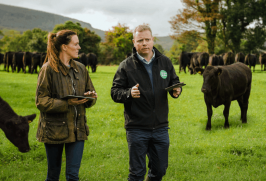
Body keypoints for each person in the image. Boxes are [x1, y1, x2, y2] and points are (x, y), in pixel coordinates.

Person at [111, 24, 182, 181]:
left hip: (161, 127)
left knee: (160, 169)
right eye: (140, 40)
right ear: (134, 42)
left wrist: (176, 91)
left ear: (153, 40)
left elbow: (174, 82)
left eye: (147, 39)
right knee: (137, 172)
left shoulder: (165, 62)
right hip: (137, 128)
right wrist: (128, 93)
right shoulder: (126, 66)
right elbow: (115, 92)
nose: (144, 43)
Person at [35, 30, 98, 181]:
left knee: (73, 176)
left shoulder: (81, 69)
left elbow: (90, 94)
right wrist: (66, 103)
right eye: (75, 44)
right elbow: (41, 101)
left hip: (78, 130)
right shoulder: (48, 69)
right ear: (64, 47)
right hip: (54, 131)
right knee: (53, 176)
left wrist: (90, 98)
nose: (79, 47)